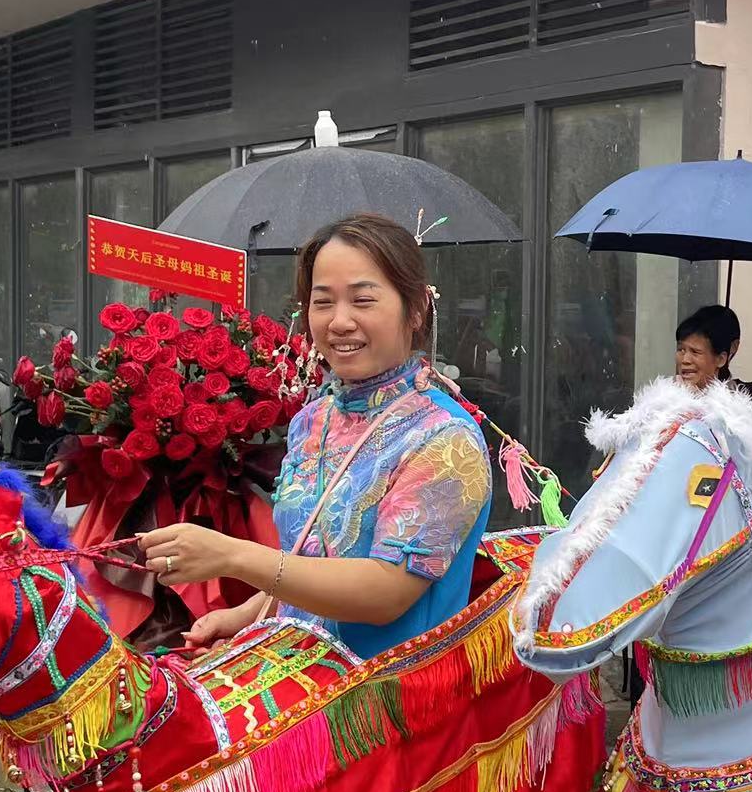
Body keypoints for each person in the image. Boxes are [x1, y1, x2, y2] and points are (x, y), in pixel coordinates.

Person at [139, 213, 492, 669]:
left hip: (386, 691)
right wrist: (248, 614)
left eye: (363, 300)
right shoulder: (314, 419)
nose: (339, 322)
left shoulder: (444, 437)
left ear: (416, 309)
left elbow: (386, 593)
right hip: (294, 669)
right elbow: (308, 554)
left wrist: (233, 556)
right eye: (322, 302)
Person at [674, 303, 752, 413]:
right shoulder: (665, 398)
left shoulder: (744, 397)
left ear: (721, 359)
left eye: (695, 352)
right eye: (681, 350)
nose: (685, 360)